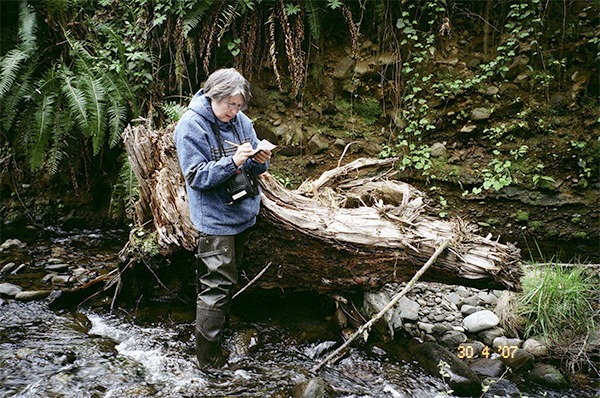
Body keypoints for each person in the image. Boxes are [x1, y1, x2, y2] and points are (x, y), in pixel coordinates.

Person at [174, 68, 271, 368]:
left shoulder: (241, 122)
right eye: (229, 104)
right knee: (216, 286)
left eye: (239, 105)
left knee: (225, 282)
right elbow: (196, 177)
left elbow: (254, 170)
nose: (234, 111)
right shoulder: (191, 126)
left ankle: (216, 339)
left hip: (243, 215)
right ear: (212, 95)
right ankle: (208, 362)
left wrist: (260, 161)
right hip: (215, 221)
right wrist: (232, 162)